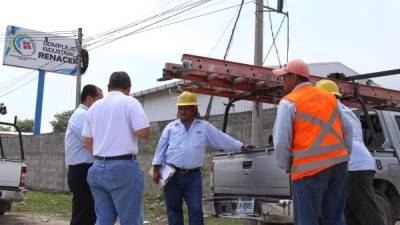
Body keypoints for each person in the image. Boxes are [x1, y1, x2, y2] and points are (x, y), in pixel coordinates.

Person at [151, 91, 253, 225]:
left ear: (194, 109)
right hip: (171, 174)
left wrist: (240, 146)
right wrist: (156, 168)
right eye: (180, 108)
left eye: (185, 108)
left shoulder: (203, 127)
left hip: (193, 176)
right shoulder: (171, 127)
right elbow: (161, 149)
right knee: (173, 209)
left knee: (196, 209)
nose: (182, 111)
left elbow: (220, 138)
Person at [272, 59, 353, 225]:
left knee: (306, 220)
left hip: (308, 170)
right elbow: (348, 128)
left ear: (294, 78)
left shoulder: (288, 102)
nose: (282, 82)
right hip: (338, 166)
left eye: (284, 78)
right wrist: (345, 154)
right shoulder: (330, 98)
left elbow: (281, 141)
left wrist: (286, 165)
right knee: (335, 219)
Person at [82, 71, 150, 225]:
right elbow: (144, 132)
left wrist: (102, 155)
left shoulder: (93, 107)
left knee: (104, 219)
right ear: (129, 88)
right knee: (130, 220)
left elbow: (86, 139)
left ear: (108, 87)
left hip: (97, 167)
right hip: (124, 168)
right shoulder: (130, 102)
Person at [316, 79, 384, 225]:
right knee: (350, 214)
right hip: (359, 164)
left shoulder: (331, 110)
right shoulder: (348, 112)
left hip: (353, 166)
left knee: (365, 213)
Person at [65, 84, 103, 225]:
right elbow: (93, 141)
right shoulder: (82, 116)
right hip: (81, 170)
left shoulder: (87, 115)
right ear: (89, 99)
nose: (102, 103)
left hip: (85, 169)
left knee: (89, 213)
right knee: (82, 214)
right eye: (100, 99)